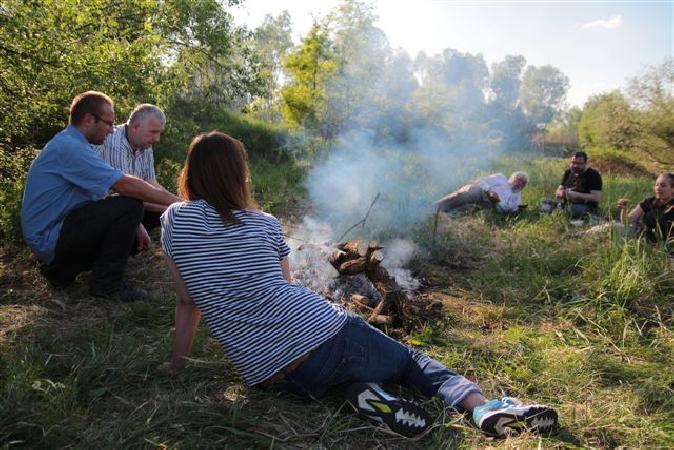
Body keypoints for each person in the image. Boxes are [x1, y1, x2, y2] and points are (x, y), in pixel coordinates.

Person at [160, 131, 558, 438]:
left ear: (190, 172)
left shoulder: (173, 221)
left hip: (268, 375)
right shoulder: (263, 222)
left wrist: (178, 365)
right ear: (237, 174)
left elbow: (188, 301)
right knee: (410, 362)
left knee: (341, 368)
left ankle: (369, 396)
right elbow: (284, 285)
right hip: (323, 333)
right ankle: (483, 408)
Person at [21, 91, 180, 301]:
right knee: (131, 205)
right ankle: (107, 284)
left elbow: (98, 197)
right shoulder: (70, 148)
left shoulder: (73, 144)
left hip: (55, 231)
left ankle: (62, 271)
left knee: (131, 223)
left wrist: (136, 224)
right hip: (50, 236)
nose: (112, 129)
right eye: (108, 123)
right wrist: (181, 203)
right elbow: (124, 185)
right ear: (89, 119)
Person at [94, 104, 170, 234]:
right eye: (153, 132)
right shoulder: (114, 142)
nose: (157, 139)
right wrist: (174, 205)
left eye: (159, 133)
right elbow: (126, 192)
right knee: (146, 208)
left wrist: (178, 203)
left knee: (166, 212)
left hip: (126, 204)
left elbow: (151, 183)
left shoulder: (145, 145)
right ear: (135, 127)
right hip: (98, 208)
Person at [434, 172, 528, 215]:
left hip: (491, 207)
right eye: (518, 179)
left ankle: (444, 216)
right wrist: (490, 191)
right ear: (512, 178)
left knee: (472, 208)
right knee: (470, 193)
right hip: (483, 193)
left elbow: (512, 210)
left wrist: (517, 211)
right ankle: (436, 207)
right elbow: (482, 181)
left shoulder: (517, 198)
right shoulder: (501, 178)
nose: (519, 183)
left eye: (522, 183)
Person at [617, 172, 674, 243]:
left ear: (672, 189)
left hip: (665, 245)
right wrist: (624, 209)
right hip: (641, 238)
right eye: (656, 185)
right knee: (610, 228)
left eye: (663, 185)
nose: (658, 188)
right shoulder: (649, 202)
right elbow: (626, 221)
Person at [543, 151, 602, 218]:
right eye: (573, 163)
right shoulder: (568, 172)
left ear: (585, 163)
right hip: (567, 204)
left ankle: (556, 214)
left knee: (567, 210)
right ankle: (555, 213)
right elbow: (558, 191)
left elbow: (596, 198)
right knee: (545, 203)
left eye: (579, 163)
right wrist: (562, 193)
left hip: (586, 207)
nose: (575, 165)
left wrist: (576, 195)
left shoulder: (593, 174)